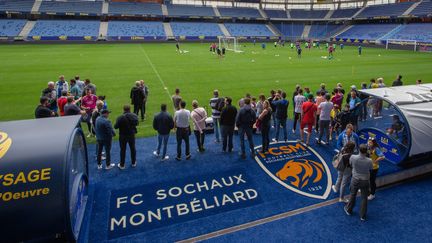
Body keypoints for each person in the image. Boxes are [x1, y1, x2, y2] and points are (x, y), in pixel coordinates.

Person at [344, 144, 373, 221]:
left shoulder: (353, 157)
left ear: (359, 150)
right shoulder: (369, 160)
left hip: (355, 179)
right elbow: (371, 169)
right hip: (365, 180)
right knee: (364, 198)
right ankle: (362, 216)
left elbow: (350, 164)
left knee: (352, 195)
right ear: (366, 151)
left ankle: (349, 210)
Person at [114, 105, 138, 169]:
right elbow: (137, 123)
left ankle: (122, 165)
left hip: (123, 136)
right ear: (130, 109)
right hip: (131, 135)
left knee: (123, 150)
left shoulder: (120, 117)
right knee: (133, 148)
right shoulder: (134, 115)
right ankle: (133, 162)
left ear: (123, 109)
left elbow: (115, 127)